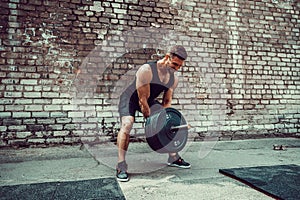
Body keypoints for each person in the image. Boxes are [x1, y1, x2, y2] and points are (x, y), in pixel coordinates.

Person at [116, 45, 191, 182]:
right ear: (167, 57)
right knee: (127, 124)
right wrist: (152, 123)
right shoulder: (147, 70)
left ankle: (173, 156)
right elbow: (142, 101)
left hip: (149, 99)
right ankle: (121, 165)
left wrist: (169, 123)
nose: (176, 68)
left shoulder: (173, 78)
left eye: (179, 66)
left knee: (166, 121)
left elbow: (167, 102)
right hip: (131, 98)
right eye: (175, 64)